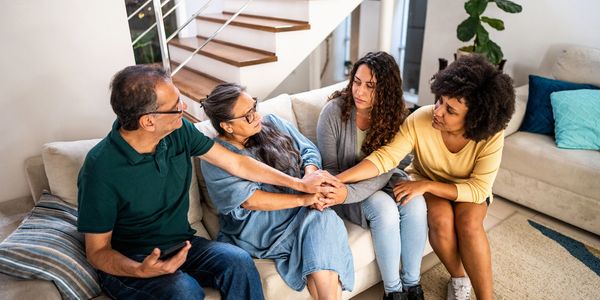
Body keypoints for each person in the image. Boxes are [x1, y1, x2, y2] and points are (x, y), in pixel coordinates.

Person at [77, 65, 340, 300]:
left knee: (238, 261)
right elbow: (98, 252)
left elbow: (238, 163)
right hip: (132, 261)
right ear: (148, 121)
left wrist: (300, 184)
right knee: (184, 290)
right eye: (176, 105)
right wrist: (140, 270)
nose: (185, 108)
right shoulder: (101, 169)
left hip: (183, 245)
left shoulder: (179, 132)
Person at [337, 54, 515, 300]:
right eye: (440, 100)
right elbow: (385, 158)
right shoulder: (420, 120)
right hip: (426, 184)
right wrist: (339, 180)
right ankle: (459, 279)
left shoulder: (491, 135)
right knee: (441, 221)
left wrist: (428, 185)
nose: (438, 111)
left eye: (450, 110)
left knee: (469, 225)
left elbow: (478, 189)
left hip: (464, 188)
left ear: (475, 119)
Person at [200, 83, 354, 300]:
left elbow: (308, 150)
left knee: (323, 219)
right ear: (227, 126)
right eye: (247, 116)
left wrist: (310, 176)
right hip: (261, 229)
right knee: (322, 221)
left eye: (254, 107)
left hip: (300, 211)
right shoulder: (216, 156)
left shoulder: (271, 123)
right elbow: (250, 201)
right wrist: (305, 198)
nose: (256, 116)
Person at [316, 51, 428, 300]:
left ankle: (412, 285)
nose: (360, 92)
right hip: (344, 191)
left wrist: (353, 188)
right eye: (356, 82)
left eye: (370, 86)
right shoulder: (332, 113)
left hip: (381, 179)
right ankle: (393, 292)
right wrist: (348, 192)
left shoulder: (393, 115)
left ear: (386, 90)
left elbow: (387, 167)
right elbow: (332, 171)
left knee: (416, 202)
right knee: (384, 208)